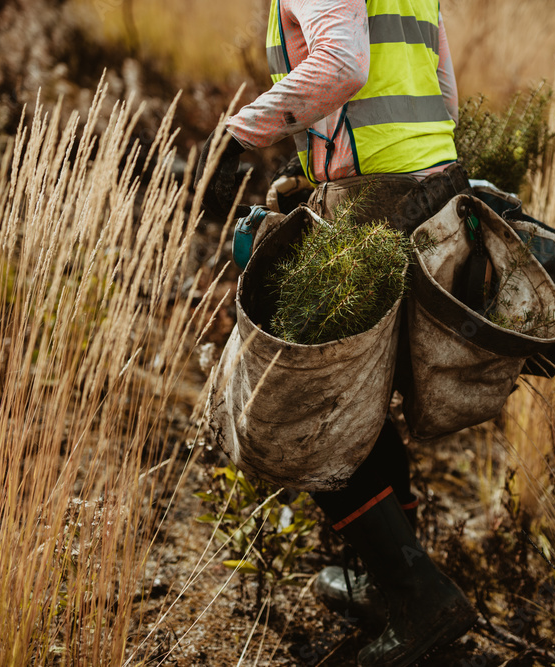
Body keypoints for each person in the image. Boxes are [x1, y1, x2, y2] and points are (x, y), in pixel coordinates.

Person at [195, 2, 477, 665]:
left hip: (378, 197)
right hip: (434, 186)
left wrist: (241, 137)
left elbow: (345, 65)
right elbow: (445, 95)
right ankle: (393, 585)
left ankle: (417, 597)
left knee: (310, 398)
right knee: (363, 396)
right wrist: (320, 164)